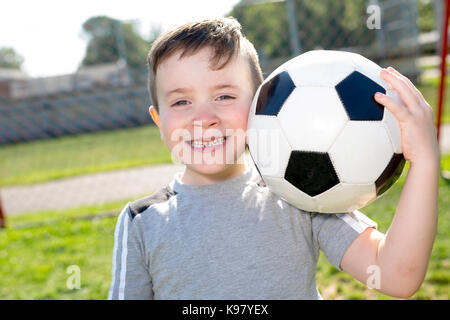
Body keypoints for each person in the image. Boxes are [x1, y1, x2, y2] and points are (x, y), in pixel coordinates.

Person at [108, 17, 440, 300]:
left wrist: (424, 161)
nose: (203, 117)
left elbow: (397, 275)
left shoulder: (301, 192)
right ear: (159, 122)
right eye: (181, 102)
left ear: (259, 108)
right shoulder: (141, 222)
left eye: (224, 96)